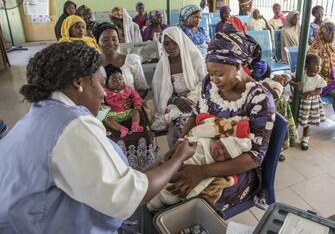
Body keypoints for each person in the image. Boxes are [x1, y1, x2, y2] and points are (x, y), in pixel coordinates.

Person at [0, 41, 196, 233]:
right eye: (100, 83)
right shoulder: (74, 125)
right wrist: (178, 159)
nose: (104, 93)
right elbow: (133, 196)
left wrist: (161, 165)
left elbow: (98, 174)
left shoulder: (40, 114)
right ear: (79, 83)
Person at [164, 33, 276, 213]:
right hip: (205, 150)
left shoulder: (260, 100)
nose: (214, 79)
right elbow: (196, 114)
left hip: (238, 167)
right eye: (210, 73)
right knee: (169, 175)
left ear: (238, 67)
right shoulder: (209, 84)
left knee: (186, 198)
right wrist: (181, 143)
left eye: (220, 74)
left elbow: (255, 157)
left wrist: (203, 171)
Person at [147, 113, 252, 210]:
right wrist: (180, 143)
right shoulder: (203, 140)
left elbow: (250, 161)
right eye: (221, 146)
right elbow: (197, 118)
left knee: (166, 197)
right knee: (152, 181)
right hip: (173, 166)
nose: (220, 152)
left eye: (225, 155)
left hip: (180, 183)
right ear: (217, 140)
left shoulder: (215, 164)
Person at [95, 23, 157, 172]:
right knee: (108, 139)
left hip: (131, 109)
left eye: (114, 39)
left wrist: (131, 101)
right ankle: (118, 172)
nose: (111, 43)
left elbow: (142, 88)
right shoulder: (93, 64)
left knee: (140, 135)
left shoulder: (131, 60)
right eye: (106, 40)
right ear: (98, 41)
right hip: (106, 112)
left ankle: (142, 170)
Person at [152, 27, 207, 144]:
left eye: (174, 41)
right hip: (178, 105)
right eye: (166, 43)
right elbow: (161, 93)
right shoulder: (163, 65)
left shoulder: (195, 59)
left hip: (199, 101)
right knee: (183, 125)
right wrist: (176, 100)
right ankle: (184, 155)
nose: (171, 47)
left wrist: (196, 100)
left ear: (181, 41)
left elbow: (206, 85)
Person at [104, 65, 144, 139]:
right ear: (106, 83)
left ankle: (135, 126)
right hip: (114, 114)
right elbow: (101, 102)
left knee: (136, 112)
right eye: (114, 81)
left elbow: (136, 96)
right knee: (108, 120)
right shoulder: (105, 92)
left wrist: (137, 104)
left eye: (120, 79)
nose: (118, 82)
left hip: (127, 112)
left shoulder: (127, 89)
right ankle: (122, 129)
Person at [297, 54, 326, 150]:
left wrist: (311, 93)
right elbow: (293, 80)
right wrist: (294, 84)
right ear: (307, 65)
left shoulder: (318, 79)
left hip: (310, 104)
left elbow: (319, 90)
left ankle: (305, 138)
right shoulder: (302, 74)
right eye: (316, 64)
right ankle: (292, 134)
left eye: (320, 65)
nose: (318, 67)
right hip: (299, 101)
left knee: (307, 121)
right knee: (295, 117)